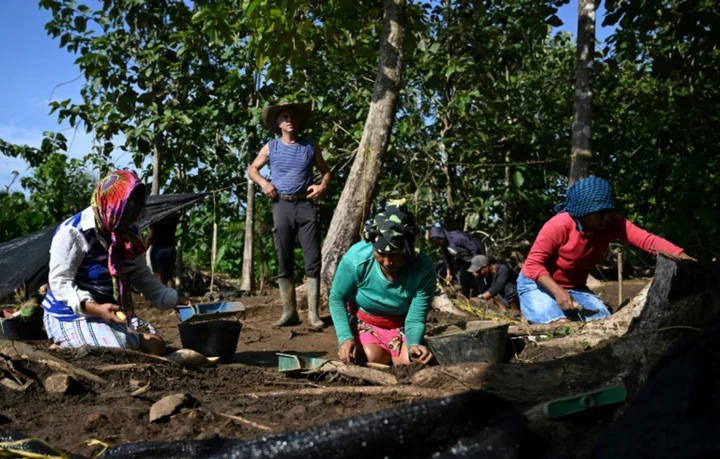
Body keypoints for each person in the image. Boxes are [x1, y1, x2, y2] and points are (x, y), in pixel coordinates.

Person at [41, 170, 190, 355]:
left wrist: (173, 299)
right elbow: (60, 283)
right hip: (71, 313)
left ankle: (91, 340)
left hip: (110, 311)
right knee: (116, 350)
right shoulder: (73, 232)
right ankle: (63, 344)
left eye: (136, 211)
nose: (134, 218)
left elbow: (140, 274)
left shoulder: (129, 232)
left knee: (156, 346)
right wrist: (94, 308)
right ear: (111, 205)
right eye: (128, 211)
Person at [519, 176, 695, 324]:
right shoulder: (559, 225)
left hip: (576, 288)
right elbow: (533, 265)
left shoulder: (612, 223)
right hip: (537, 285)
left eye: (609, 211)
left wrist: (687, 261)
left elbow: (648, 241)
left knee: (605, 323)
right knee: (560, 325)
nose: (607, 216)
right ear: (582, 211)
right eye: (600, 212)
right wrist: (558, 292)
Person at [248, 102, 331, 329]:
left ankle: (314, 315)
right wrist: (264, 183)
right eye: (284, 117)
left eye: (292, 116)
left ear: (298, 121)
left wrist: (322, 186)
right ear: (278, 123)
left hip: (305, 205)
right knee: (284, 257)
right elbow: (252, 169)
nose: (289, 120)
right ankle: (289, 312)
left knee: (312, 258)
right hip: (281, 204)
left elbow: (326, 172)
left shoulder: (310, 146)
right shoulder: (271, 146)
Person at [329, 202, 435, 366]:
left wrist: (414, 343)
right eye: (381, 254)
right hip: (365, 322)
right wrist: (345, 337)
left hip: (401, 325)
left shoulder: (423, 269)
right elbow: (337, 298)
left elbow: (415, 318)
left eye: (395, 255)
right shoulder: (356, 260)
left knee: (411, 360)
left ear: (407, 249)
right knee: (372, 357)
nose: (387, 262)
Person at [429, 225, 486, 299]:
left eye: (440, 240)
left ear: (443, 237)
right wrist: (448, 273)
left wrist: (475, 265)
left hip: (476, 252)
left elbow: (474, 248)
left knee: (479, 275)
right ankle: (465, 298)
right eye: (437, 242)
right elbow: (447, 259)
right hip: (464, 257)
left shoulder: (457, 238)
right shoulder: (443, 245)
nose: (439, 243)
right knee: (463, 277)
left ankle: (485, 296)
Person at [145, 212, 181, 288]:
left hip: (158, 249)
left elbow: (150, 236)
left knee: (158, 276)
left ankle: (161, 298)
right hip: (170, 249)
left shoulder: (155, 217)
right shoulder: (173, 216)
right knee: (169, 277)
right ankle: (172, 297)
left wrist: (143, 250)